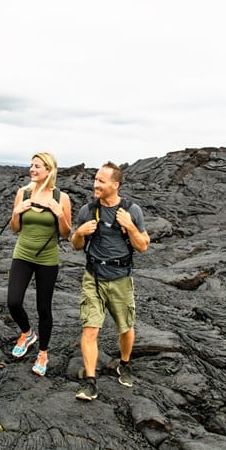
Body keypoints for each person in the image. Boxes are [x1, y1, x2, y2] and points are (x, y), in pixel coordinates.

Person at [71, 161, 150, 400]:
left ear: (115, 185)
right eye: (96, 179)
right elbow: (76, 246)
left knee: (125, 328)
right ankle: (90, 382)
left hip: (121, 280)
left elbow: (143, 246)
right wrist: (79, 233)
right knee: (90, 330)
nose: (96, 184)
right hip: (93, 278)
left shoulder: (132, 211)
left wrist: (130, 227)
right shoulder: (87, 210)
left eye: (101, 181)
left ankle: (124, 363)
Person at [7, 152, 72, 376]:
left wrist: (59, 214)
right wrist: (16, 212)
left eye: (37, 166)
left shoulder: (61, 198)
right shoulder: (22, 193)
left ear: (49, 170)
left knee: (44, 308)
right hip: (22, 253)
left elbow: (65, 234)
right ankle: (27, 333)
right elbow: (15, 228)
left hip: (47, 258)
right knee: (13, 301)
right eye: (31, 165)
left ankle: (43, 352)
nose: (32, 169)